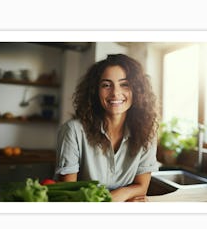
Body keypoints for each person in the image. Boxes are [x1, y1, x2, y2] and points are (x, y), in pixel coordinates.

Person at [54, 54, 159, 202]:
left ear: (137, 90)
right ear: (95, 91)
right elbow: (69, 194)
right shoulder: (73, 131)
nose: (115, 93)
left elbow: (142, 186)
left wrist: (119, 194)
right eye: (106, 85)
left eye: (125, 84)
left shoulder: (147, 132)